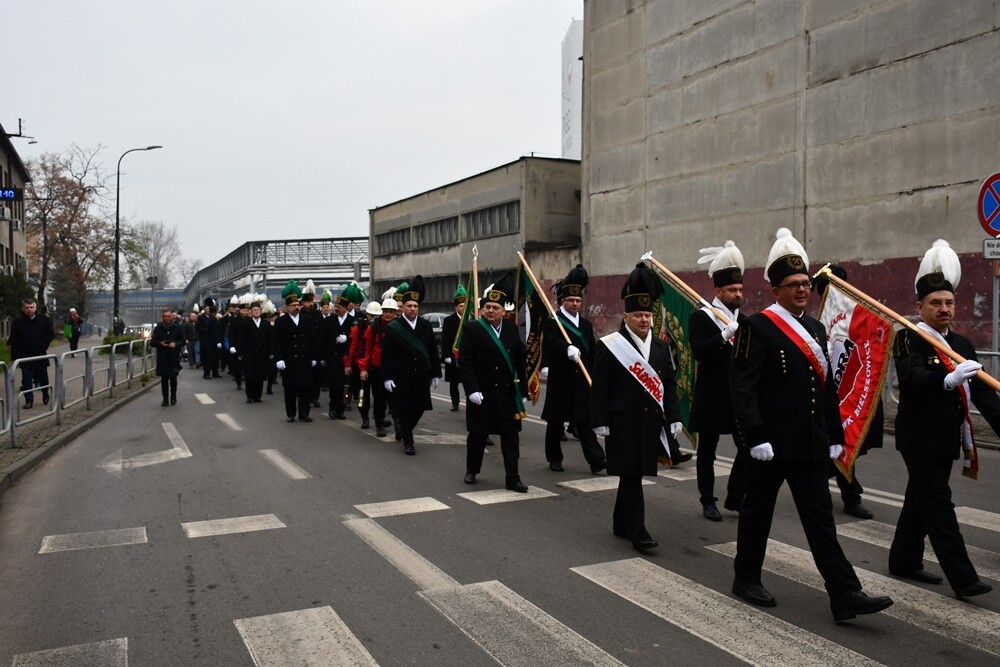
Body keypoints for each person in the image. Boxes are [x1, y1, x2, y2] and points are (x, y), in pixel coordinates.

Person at [729, 227, 892, 622]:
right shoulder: (757, 327)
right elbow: (742, 388)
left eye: (805, 283)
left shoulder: (817, 329)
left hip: (810, 445)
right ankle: (745, 578)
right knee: (757, 515)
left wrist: (835, 436)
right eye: (792, 285)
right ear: (776, 290)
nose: (802, 290)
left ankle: (844, 593)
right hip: (770, 447)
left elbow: (826, 392)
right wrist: (755, 437)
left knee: (821, 522)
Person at [889, 239, 1000, 598]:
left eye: (949, 302)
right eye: (936, 303)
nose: (944, 309)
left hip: (946, 439)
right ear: (920, 306)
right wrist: (947, 379)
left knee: (919, 500)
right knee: (938, 505)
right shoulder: (910, 339)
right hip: (918, 438)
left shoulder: (963, 346)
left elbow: (984, 395)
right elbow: (913, 378)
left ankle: (903, 560)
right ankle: (964, 578)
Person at [591, 263, 682, 552]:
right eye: (638, 315)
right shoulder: (610, 345)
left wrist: (675, 417)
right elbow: (600, 386)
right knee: (632, 476)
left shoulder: (660, 346)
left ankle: (621, 521)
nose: (644, 320)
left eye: (648, 315)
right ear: (626, 316)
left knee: (633, 473)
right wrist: (599, 420)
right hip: (622, 422)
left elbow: (668, 384)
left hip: (649, 422)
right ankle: (638, 531)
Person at [813, 265, 880, 520]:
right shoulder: (821, 322)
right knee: (835, 445)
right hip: (828, 397)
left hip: (850, 395)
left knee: (846, 444)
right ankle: (849, 495)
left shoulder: (856, 315)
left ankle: (841, 490)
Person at [689, 241, 749, 521]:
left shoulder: (744, 320)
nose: (737, 294)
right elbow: (699, 350)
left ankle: (735, 497)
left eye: (739, 290)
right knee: (707, 452)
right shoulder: (701, 317)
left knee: (749, 447)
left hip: (738, 396)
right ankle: (707, 500)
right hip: (711, 394)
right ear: (718, 291)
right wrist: (723, 337)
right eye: (732, 290)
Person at [459, 273, 530, 491]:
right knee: (478, 435)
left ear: (504, 311)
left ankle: (513, 477)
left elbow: (520, 361)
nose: (490, 310)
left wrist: (524, 391)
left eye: (495, 308)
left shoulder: (510, 330)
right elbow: (466, 362)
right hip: (482, 393)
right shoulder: (472, 329)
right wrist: (471, 389)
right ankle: (472, 470)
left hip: (507, 395)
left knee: (511, 439)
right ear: (482, 309)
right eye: (487, 306)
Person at [541, 264, 606, 474]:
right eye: (571, 300)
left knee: (584, 421)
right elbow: (550, 343)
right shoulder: (554, 322)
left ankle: (596, 459)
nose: (575, 304)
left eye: (578, 300)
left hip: (581, 379)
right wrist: (566, 347)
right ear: (562, 301)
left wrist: (597, 371)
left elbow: (593, 350)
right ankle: (554, 457)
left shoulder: (585, 325)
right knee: (556, 421)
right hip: (561, 377)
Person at [381, 276, 441, 455]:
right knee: (405, 409)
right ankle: (409, 441)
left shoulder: (425, 325)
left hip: (422, 375)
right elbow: (387, 355)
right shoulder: (394, 327)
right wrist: (387, 377)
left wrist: (436, 373)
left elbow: (432, 351)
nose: (412, 309)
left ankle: (405, 430)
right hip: (402, 375)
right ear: (403, 307)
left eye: (415, 306)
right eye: (409, 306)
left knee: (420, 407)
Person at [272, 281, 318, 422]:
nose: (296, 307)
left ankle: (304, 413)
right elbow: (277, 342)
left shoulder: (306, 320)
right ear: (287, 307)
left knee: (305, 388)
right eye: (293, 305)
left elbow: (313, 340)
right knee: (290, 389)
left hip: (304, 359)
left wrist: (314, 357)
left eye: (298, 305)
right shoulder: (281, 322)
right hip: (289, 360)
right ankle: (291, 413)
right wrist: (278, 359)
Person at [360, 297, 399, 437]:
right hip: (377, 369)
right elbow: (365, 349)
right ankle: (378, 424)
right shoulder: (373, 327)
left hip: (395, 369)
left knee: (396, 399)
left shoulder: (400, 327)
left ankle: (398, 424)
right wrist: (363, 368)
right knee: (378, 399)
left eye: (391, 311)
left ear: (396, 313)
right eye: (385, 311)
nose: (388, 314)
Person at [7, 298, 55, 409]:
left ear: (35, 308)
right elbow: (13, 338)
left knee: (43, 377)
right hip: (24, 355)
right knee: (26, 379)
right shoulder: (18, 322)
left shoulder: (43, 319)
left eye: (31, 307)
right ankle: (29, 400)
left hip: (40, 353)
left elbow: (50, 334)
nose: (29, 310)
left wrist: (44, 345)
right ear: (23, 309)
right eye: (27, 308)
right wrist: (14, 357)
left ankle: (45, 392)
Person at [231, 300, 274, 403]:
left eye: (258, 310)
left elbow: (270, 339)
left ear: (261, 311)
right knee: (250, 376)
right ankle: (249, 396)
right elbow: (241, 339)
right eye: (254, 310)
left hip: (262, 354)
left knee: (260, 375)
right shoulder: (246, 323)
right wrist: (240, 353)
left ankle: (257, 396)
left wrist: (271, 352)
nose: (256, 312)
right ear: (251, 312)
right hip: (249, 353)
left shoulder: (265, 323)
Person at [322, 288, 355, 420]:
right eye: (335, 306)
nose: (336, 309)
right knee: (334, 386)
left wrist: (347, 338)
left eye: (339, 307)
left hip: (347, 359)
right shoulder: (329, 320)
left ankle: (341, 408)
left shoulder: (353, 321)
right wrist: (323, 357)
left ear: (346, 308)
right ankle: (333, 407)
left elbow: (358, 339)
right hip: (333, 358)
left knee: (345, 387)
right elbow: (323, 339)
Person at [345, 300, 378, 429]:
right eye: (372, 316)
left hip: (375, 365)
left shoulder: (382, 327)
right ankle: (364, 416)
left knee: (378, 394)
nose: (374, 319)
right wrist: (347, 364)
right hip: (359, 365)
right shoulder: (358, 327)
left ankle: (378, 416)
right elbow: (351, 347)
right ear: (367, 315)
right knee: (362, 394)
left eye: (376, 316)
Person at [441, 284, 467, 412]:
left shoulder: (470, 319)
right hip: (453, 356)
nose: (462, 308)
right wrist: (446, 355)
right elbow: (445, 339)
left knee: (468, 381)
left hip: (467, 356)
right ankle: (455, 403)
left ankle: (471, 402)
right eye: (460, 306)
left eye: (464, 306)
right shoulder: (449, 320)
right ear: (456, 307)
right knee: (454, 383)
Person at [151, 308, 183, 406]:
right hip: (163, 357)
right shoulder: (158, 328)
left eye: (169, 316)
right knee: (164, 380)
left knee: (173, 379)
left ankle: (173, 396)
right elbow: (152, 342)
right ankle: (165, 399)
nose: (167, 318)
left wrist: (175, 344)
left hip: (173, 357)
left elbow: (183, 340)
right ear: (162, 317)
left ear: (172, 317)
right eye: (165, 317)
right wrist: (160, 343)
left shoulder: (178, 328)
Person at [196, 299, 222, 379]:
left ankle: (215, 373)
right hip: (208, 342)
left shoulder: (213, 319)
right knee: (209, 359)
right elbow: (198, 329)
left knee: (214, 358)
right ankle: (207, 373)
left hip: (212, 341)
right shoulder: (207, 319)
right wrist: (217, 341)